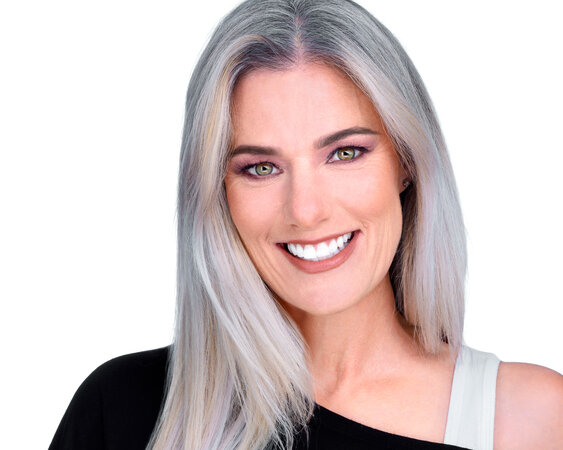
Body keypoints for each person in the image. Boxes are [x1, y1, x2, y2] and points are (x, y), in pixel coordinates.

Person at [49, 0, 563, 449]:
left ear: (407, 162)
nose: (306, 210)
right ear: (216, 192)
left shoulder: (530, 421)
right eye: (261, 168)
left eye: (345, 153)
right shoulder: (120, 409)